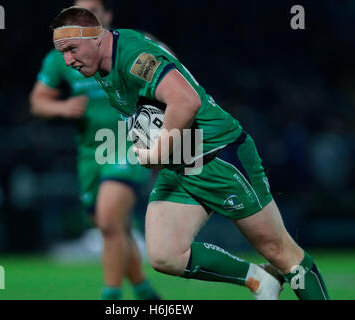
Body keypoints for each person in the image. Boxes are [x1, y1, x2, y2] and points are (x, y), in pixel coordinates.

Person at [49, 7, 330, 300]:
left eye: (71, 49)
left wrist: (157, 151)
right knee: (164, 254)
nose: (68, 61)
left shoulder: (132, 57)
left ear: (96, 37)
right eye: (62, 53)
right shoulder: (102, 61)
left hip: (220, 156)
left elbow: (186, 100)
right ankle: (260, 279)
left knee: (280, 251)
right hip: (183, 164)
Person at [30, 0, 160, 300]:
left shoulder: (129, 46)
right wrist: (62, 107)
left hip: (128, 142)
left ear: (107, 16)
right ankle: (143, 289)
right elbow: (38, 101)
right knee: (111, 225)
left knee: (110, 219)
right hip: (89, 151)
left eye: (91, 12)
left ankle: (110, 297)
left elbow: (170, 75)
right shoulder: (63, 57)